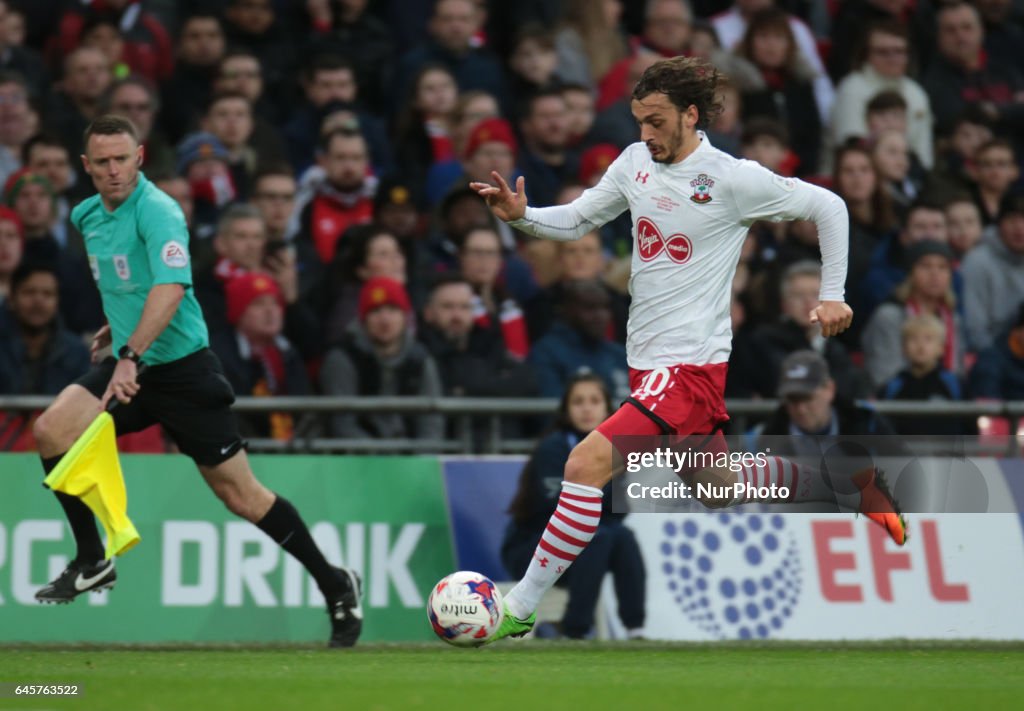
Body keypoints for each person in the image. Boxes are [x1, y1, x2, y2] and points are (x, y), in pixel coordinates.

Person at [471, 56, 903, 642]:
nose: (644, 133)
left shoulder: (731, 178)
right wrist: (523, 218)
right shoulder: (632, 164)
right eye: (638, 121)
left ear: (690, 114)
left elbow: (830, 206)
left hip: (689, 366)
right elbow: (575, 222)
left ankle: (518, 608)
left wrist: (833, 295)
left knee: (584, 465)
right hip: (651, 365)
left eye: (655, 121)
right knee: (719, 488)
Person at [29, 115, 362, 648]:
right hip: (131, 362)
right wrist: (115, 328)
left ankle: (335, 582)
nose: (114, 171)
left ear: (139, 157)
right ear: (86, 166)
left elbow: (170, 288)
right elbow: (128, 282)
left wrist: (130, 351)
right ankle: (92, 559)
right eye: (103, 162)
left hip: (182, 371)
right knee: (51, 431)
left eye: (123, 159)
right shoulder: (87, 216)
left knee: (243, 496)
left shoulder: (158, 210)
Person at [502, 373, 645, 640]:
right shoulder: (553, 448)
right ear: (567, 410)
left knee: (623, 537)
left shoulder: (617, 448)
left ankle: (635, 630)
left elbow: (621, 509)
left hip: (588, 547)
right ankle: (574, 630)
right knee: (601, 537)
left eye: (594, 400)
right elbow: (555, 504)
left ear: (608, 408)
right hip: (533, 547)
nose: (587, 408)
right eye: (578, 401)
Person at [319, 276, 444, 442]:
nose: (385, 320)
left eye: (392, 310)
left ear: (404, 317)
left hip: (411, 460)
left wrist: (417, 459)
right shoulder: (343, 358)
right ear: (364, 319)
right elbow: (342, 425)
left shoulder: (420, 360)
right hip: (357, 461)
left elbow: (431, 423)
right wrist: (382, 458)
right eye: (376, 311)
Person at [878, 314, 967, 436]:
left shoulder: (955, 385)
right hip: (900, 454)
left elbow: (969, 426)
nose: (921, 346)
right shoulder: (891, 388)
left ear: (941, 348)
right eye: (913, 339)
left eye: (928, 339)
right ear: (903, 348)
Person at [961, 194, 1024, 351]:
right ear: (999, 224)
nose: (1019, 228)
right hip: (995, 357)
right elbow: (974, 330)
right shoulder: (977, 262)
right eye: (1011, 220)